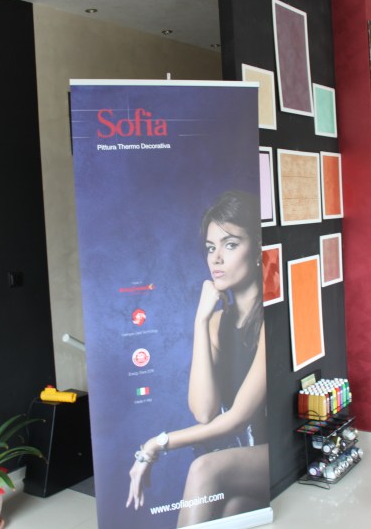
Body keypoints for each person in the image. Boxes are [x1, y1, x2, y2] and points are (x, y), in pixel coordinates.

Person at [126, 191, 269, 527]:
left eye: (230, 244)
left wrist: (159, 443)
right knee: (232, 510)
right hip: (241, 457)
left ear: (257, 250)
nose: (216, 258)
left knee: (203, 469)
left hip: (274, 448)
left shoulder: (271, 319)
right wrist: (201, 320)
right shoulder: (218, 322)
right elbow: (204, 411)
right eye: (210, 247)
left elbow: (236, 419)